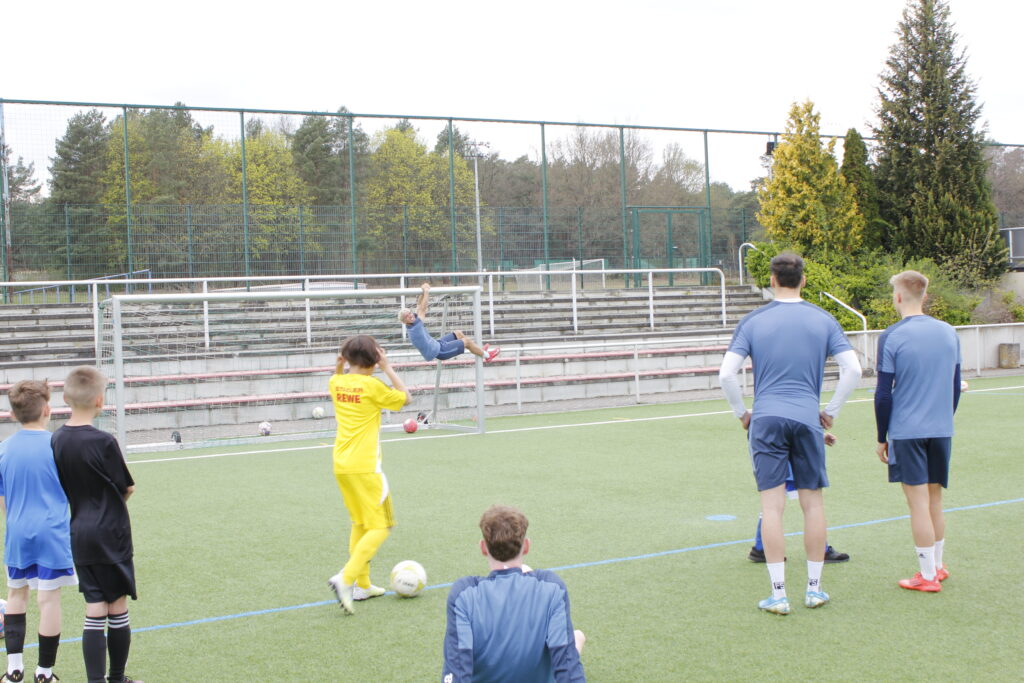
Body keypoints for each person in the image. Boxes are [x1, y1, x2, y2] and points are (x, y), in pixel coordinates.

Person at [719, 252, 862, 615]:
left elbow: (725, 375)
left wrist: (742, 414)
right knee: (813, 504)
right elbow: (854, 370)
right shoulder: (823, 319)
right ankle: (814, 590)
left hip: (766, 419)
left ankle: (778, 594)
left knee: (772, 507)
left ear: (771, 280)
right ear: (804, 280)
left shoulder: (753, 321)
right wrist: (830, 412)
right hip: (806, 419)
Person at [51, 366, 142, 683]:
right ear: (101, 400)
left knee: (94, 606)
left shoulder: (57, 440)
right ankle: (116, 678)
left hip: (79, 532)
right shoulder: (104, 441)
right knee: (116, 604)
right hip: (111, 534)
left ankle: (95, 681)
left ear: (64, 398)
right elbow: (127, 487)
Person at [874, 270, 961, 593]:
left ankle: (926, 577)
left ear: (897, 297)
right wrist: (943, 418)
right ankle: (937, 566)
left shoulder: (892, 336)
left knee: (918, 504)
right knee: (935, 499)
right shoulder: (949, 332)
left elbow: (883, 393)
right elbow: (954, 385)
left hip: (907, 430)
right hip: (941, 429)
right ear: (924, 295)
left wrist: (882, 436)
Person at [442, 505, 585, 682]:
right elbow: (567, 666)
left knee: (577, 637)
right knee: (577, 637)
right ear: (526, 546)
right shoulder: (551, 587)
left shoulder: (463, 594)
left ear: (483, 548)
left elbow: (457, 667)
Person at [327, 335, 411, 614]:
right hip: (365, 467)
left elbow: (338, 377)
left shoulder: (336, 382)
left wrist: (340, 366)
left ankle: (363, 585)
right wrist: (388, 367)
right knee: (381, 526)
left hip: (341, 464)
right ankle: (346, 577)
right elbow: (405, 399)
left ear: (346, 358)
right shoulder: (373, 386)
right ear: (374, 359)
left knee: (359, 523)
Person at [0, 380, 77, 683]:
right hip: (53, 533)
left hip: (18, 532)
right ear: (47, 410)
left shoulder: (3, 450)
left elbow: (3, 501)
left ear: (13, 413)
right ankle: (44, 673)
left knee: (16, 596)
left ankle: (13, 670)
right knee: (49, 600)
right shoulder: (58, 445)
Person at [747, 433, 850, 564]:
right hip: (788, 446)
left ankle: (761, 548)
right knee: (809, 500)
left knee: (773, 501)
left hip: (770, 443)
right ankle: (821, 550)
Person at [399, 283, 500, 363]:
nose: (410, 316)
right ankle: (488, 356)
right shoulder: (414, 329)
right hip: (440, 352)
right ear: (404, 322)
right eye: (407, 316)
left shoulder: (413, 323)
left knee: (458, 333)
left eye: (409, 313)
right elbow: (423, 308)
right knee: (467, 342)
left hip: (437, 344)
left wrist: (422, 291)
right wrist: (426, 292)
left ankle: (479, 350)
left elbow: (418, 306)